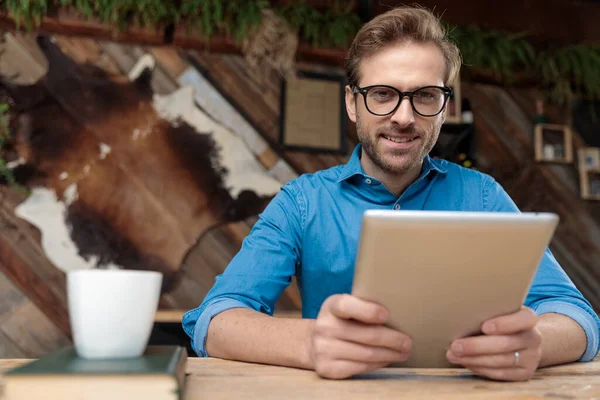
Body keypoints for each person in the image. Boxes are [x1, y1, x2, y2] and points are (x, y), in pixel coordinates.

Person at [182, 6, 600, 381]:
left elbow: (578, 317)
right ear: (352, 103)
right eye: (382, 94)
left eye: (425, 96)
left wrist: (535, 343)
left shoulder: (484, 195)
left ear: (444, 106)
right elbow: (215, 321)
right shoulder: (302, 201)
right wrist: (311, 342)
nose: (404, 117)